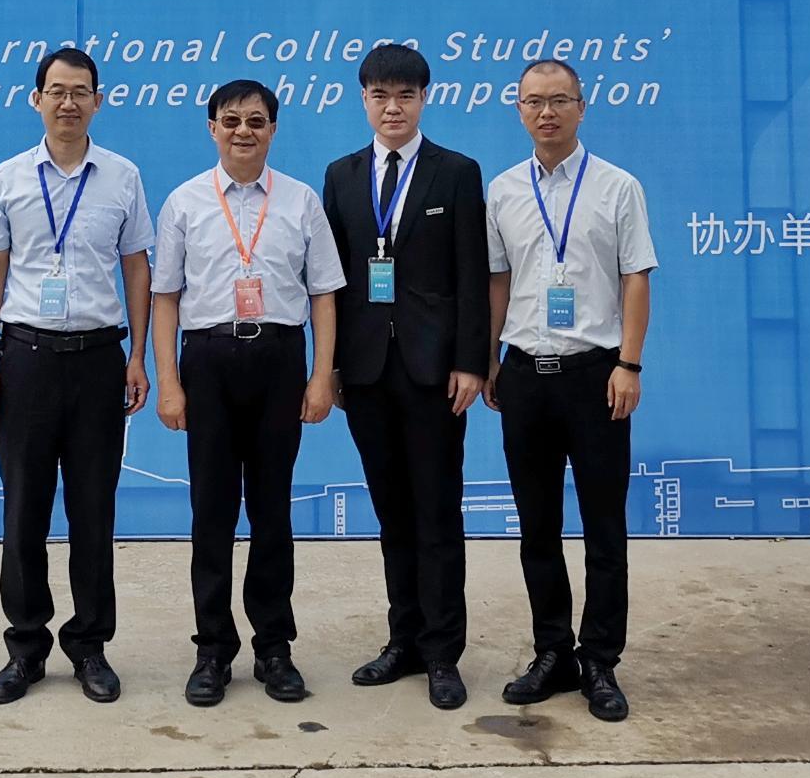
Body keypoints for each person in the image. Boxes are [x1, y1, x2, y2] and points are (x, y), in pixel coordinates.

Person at [0, 47, 155, 706]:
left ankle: (90, 646)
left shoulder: (123, 177)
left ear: (98, 101)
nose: (68, 102)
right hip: (25, 359)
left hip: (100, 359)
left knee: (93, 511)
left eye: (80, 92)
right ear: (37, 99)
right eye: (56, 91)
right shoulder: (9, 177)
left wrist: (138, 356)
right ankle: (25, 648)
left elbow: (137, 268)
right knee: (24, 510)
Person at [151, 78, 344, 707]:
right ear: (212, 128)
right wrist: (169, 382)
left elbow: (323, 294)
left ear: (273, 129)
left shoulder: (300, 200)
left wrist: (321, 376)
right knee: (211, 512)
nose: (243, 131)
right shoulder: (184, 202)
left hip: (279, 359)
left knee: (271, 510)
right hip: (207, 361)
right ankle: (212, 649)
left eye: (256, 121)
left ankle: (274, 647)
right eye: (231, 120)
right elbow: (165, 298)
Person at [484, 58, 655, 723]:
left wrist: (629, 364)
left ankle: (600, 661)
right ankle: (552, 652)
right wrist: (490, 359)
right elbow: (499, 280)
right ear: (518, 110)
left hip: (596, 376)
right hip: (525, 374)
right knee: (537, 528)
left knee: (604, 528)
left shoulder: (617, 186)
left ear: (582, 107)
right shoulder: (503, 190)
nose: (546, 112)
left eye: (559, 100)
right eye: (534, 101)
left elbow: (635, 277)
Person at [321, 42, 488, 710]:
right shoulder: (341, 175)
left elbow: (472, 274)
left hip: (434, 371)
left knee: (437, 512)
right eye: (380, 95)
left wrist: (471, 361)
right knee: (392, 512)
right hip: (365, 370)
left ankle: (443, 653)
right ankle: (404, 642)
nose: (393, 107)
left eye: (405, 95)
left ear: (424, 99)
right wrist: (332, 365)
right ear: (363, 99)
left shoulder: (457, 172)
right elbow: (330, 281)